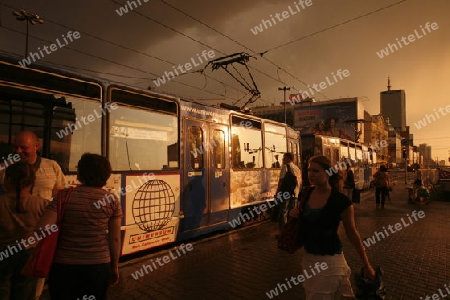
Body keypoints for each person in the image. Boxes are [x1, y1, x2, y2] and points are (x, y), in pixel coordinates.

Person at [33, 153, 122, 300]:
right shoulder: (111, 200)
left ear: (80, 173)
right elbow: (115, 239)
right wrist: (114, 267)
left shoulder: (64, 196)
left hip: (64, 267)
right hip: (98, 267)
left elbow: (42, 228)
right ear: (106, 174)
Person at [290, 155, 375, 299]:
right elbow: (299, 222)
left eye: (316, 171)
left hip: (329, 260)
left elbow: (352, 233)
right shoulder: (305, 193)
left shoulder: (341, 201)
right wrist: (293, 215)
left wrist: (366, 265)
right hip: (308, 258)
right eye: (309, 170)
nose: (311, 174)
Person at [0, 130, 67, 298]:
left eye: (24, 147)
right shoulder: (4, 168)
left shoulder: (52, 167)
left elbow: (60, 196)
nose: (18, 151)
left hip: (36, 245)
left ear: (37, 146)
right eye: (15, 147)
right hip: (13, 243)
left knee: (31, 289)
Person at [0, 162, 48, 299]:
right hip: (29, 256)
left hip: (3, 254)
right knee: (25, 291)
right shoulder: (42, 204)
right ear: (32, 182)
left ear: (8, 179)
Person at [276, 152, 302, 232]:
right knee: (292, 212)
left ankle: (283, 231)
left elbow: (281, 180)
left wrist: (278, 191)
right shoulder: (297, 168)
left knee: (283, 211)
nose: (283, 159)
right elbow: (300, 181)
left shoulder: (285, 166)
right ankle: (291, 230)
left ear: (288, 158)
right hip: (295, 193)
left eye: (284, 158)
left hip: (286, 193)